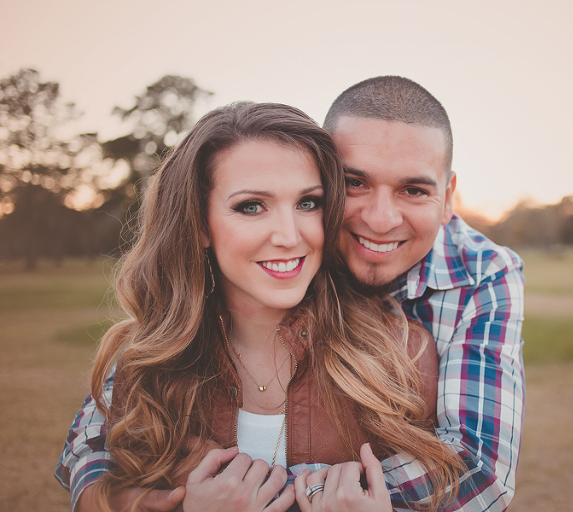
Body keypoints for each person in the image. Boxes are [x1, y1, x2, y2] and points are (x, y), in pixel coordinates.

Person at [56, 76, 525, 512]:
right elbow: (95, 442)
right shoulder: (160, 353)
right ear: (199, 221)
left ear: (448, 197)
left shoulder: (434, 331)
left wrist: (277, 495)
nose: (379, 220)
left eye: (307, 203)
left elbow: (477, 473)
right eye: (355, 184)